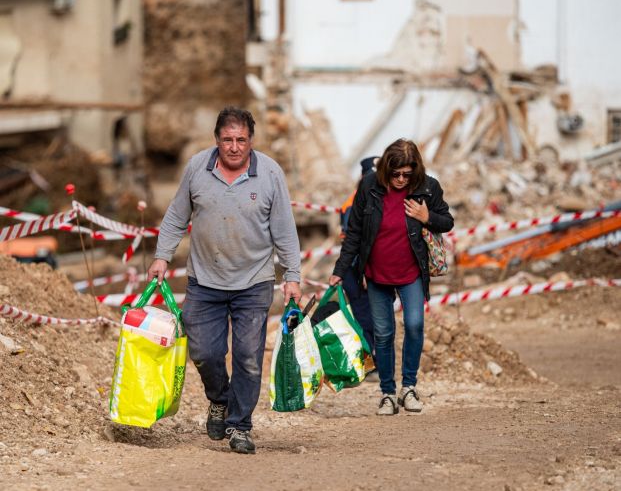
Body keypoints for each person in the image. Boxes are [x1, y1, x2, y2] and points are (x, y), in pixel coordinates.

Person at [147, 107, 301, 454]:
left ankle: (240, 426)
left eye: (241, 140)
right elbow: (175, 217)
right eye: (227, 140)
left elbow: (285, 231)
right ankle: (219, 399)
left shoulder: (270, 174)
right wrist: (161, 256)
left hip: (254, 281)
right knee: (203, 352)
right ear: (217, 140)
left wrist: (292, 275)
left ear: (251, 142)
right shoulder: (197, 169)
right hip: (205, 280)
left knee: (248, 356)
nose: (234, 147)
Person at [329, 139, 453, 415]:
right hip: (376, 274)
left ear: (415, 171)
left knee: (414, 324)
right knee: (383, 334)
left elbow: (447, 221)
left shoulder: (428, 187)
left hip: (411, 273)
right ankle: (387, 392)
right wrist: (340, 270)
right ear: (386, 169)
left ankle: (409, 388)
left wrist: (426, 215)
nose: (400, 180)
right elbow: (356, 233)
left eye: (407, 175)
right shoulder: (369, 185)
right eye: (395, 174)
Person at [339, 156, 378, 373]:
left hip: (366, 269)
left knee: (373, 316)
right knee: (365, 317)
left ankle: (374, 362)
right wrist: (363, 270)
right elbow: (354, 241)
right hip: (357, 271)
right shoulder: (354, 204)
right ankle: (370, 364)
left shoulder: (367, 199)